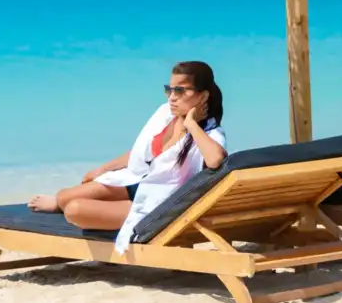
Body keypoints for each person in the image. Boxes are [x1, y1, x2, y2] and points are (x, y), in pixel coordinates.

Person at [28, 60, 227, 252]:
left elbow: (216, 159)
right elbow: (142, 152)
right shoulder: (166, 116)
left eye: (181, 90)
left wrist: (191, 124)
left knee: (74, 210)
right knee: (64, 196)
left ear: (202, 96)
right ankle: (65, 204)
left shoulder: (209, 134)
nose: (172, 97)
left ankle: (105, 215)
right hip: (139, 183)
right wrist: (103, 169)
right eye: (170, 89)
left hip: (157, 201)